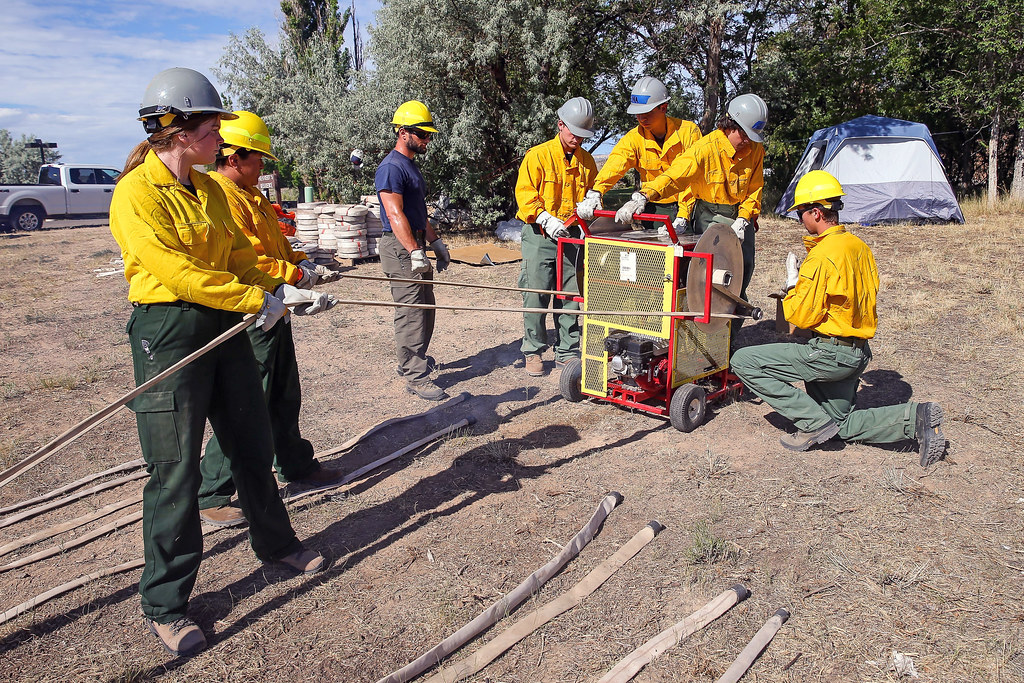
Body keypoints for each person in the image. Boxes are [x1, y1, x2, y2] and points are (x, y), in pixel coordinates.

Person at [109, 68, 326, 657]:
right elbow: (176, 271)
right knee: (175, 468)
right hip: (170, 330)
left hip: (226, 322)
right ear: (181, 130)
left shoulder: (207, 190)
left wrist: (282, 290)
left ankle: (277, 546)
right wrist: (253, 299)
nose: (222, 138)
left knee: (251, 443)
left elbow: (236, 257)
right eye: (213, 126)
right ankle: (167, 603)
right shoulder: (134, 194)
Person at [729, 170, 946, 466]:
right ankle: (915, 418)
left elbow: (801, 317)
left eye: (800, 214)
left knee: (743, 361)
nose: (799, 221)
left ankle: (812, 422)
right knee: (838, 425)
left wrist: (793, 285)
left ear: (816, 212)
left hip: (829, 354)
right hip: (856, 353)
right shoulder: (859, 248)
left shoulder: (822, 256)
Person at [196, 110, 342, 527]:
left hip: (277, 304)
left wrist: (305, 264)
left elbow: (274, 246)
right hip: (252, 312)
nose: (262, 166)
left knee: (282, 390)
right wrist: (293, 278)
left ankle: (294, 464)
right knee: (247, 403)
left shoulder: (253, 196)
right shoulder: (222, 197)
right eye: (256, 158)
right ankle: (212, 491)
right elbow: (250, 260)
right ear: (232, 157)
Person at [619, 93, 767, 301]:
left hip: (742, 218)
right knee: (709, 281)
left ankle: (731, 330)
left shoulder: (755, 149)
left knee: (740, 277)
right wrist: (644, 195)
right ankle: (706, 328)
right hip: (709, 215)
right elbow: (675, 175)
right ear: (729, 125)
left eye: (752, 137)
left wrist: (744, 219)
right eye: (743, 135)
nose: (746, 141)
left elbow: (755, 187)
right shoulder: (705, 148)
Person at [515, 97, 599, 376]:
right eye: (574, 133)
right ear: (560, 125)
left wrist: (591, 206)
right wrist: (544, 218)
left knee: (571, 295)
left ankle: (567, 350)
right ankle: (533, 351)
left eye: (584, 136)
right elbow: (525, 195)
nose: (578, 140)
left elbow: (594, 195)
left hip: (573, 236)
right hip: (540, 236)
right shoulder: (537, 156)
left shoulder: (587, 161)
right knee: (536, 295)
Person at [377, 100, 452, 401]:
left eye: (429, 135)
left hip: (415, 242)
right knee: (410, 312)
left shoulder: (409, 167)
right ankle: (415, 376)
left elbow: (417, 212)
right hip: (400, 247)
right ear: (403, 132)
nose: (427, 140)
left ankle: (413, 358)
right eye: (422, 134)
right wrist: (413, 251)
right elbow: (395, 214)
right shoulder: (391, 167)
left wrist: (435, 243)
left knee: (426, 308)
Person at [576, 76, 701, 231]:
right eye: (638, 113)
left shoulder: (688, 132)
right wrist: (596, 191)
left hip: (690, 208)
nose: (641, 118)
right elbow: (616, 163)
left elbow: (689, 176)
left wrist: (683, 216)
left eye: (646, 112)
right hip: (654, 208)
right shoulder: (633, 139)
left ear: (663, 108)